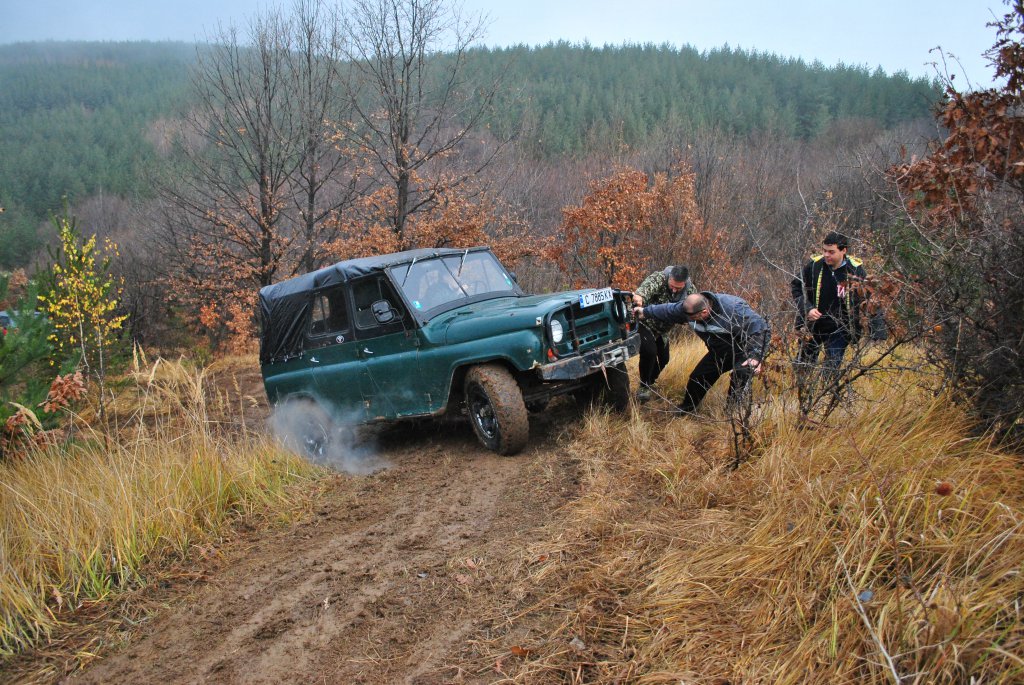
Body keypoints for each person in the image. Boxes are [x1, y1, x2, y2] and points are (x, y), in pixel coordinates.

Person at [634, 292, 770, 413]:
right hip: (720, 351)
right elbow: (668, 310)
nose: (688, 321)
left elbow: (760, 328)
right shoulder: (690, 309)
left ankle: (732, 414)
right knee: (698, 378)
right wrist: (644, 312)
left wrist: (756, 356)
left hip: (744, 350)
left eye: (692, 318)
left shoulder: (733, 309)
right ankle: (688, 408)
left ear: (704, 312)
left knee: (740, 375)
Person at [790, 232, 868, 372]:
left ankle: (829, 392)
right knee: (802, 366)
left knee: (831, 370)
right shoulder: (815, 266)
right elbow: (796, 286)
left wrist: (876, 328)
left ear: (843, 251)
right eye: (824, 251)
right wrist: (807, 308)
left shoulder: (855, 270)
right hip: (813, 325)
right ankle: (804, 392)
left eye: (831, 252)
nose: (826, 255)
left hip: (840, 329)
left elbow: (868, 299)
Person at [631, 265, 695, 401]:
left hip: (663, 330)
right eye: (672, 286)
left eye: (678, 288)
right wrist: (639, 298)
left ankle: (649, 381)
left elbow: (695, 306)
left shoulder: (690, 290)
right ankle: (644, 387)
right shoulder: (659, 278)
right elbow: (644, 290)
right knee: (649, 352)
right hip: (644, 323)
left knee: (664, 358)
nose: (674, 290)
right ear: (669, 278)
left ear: (685, 283)